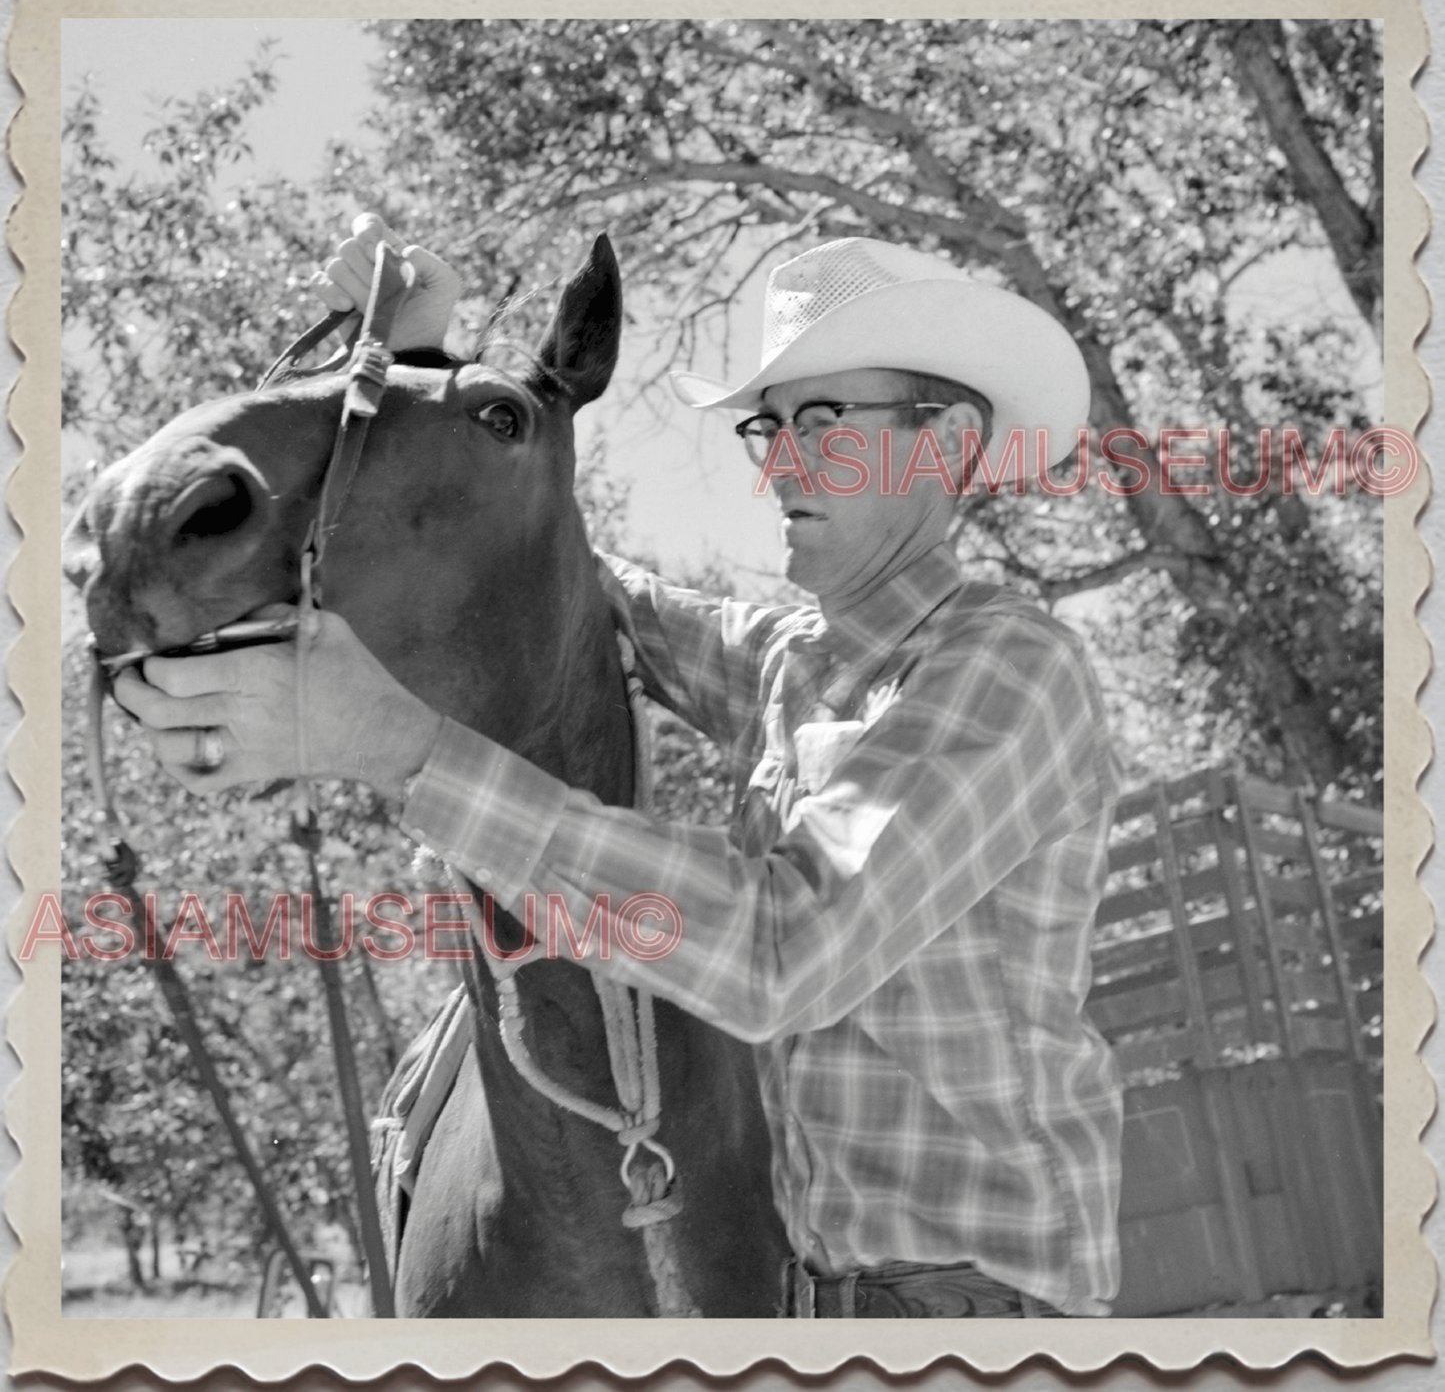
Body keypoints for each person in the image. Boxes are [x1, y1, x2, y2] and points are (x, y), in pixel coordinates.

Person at [116, 217, 1123, 1319]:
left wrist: (403, 747)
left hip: (971, 1317)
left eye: (825, 423)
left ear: (944, 444)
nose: (784, 460)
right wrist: (425, 363)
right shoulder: (795, 663)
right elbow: (552, 565)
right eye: (769, 427)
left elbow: (781, 948)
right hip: (814, 1307)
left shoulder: (1007, 668)